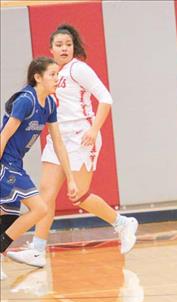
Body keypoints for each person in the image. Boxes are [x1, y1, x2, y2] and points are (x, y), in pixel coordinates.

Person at [7, 24, 138, 268]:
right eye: (59, 45)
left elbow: (106, 98)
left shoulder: (80, 69)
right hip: (58, 138)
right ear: (51, 49)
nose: (64, 48)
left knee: (79, 196)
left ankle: (122, 223)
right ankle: (37, 250)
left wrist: (94, 128)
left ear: (73, 47)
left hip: (81, 136)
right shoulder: (51, 73)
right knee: (45, 194)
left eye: (68, 44)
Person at [1, 57, 78, 280]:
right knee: (40, 209)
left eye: (58, 74)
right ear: (38, 77)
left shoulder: (50, 104)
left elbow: (59, 143)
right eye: (52, 75)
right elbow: (4, 135)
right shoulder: (26, 100)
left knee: (8, 215)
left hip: (16, 163)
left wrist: (71, 179)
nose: (57, 78)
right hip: (6, 162)